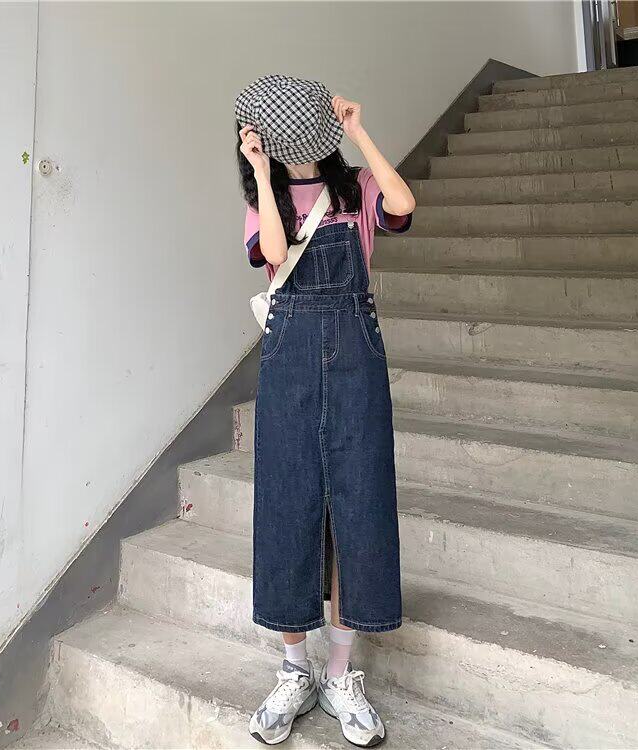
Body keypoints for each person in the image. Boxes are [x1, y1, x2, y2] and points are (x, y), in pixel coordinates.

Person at [235, 75, 416, 747]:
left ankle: (340, 672)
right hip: (289, 365)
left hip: (356, 362)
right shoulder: (264, 204)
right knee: (288, 503)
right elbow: (275, 254)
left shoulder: (357, 189)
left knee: (358, 504)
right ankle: (295, 669)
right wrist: (262, 174)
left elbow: (404, 204)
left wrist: (358, 131)